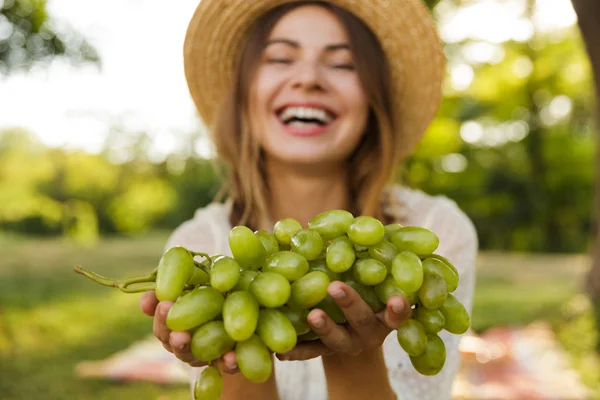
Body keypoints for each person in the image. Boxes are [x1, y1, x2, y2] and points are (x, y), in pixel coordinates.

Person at [140, 1, 478, 399]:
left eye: (342, 64)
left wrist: (353, 352)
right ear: (245, 92)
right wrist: (232, 348)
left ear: (373, 100)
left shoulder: (435, 230)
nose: (308, 78)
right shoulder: (198, 251)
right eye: (281, 58)